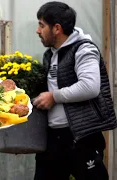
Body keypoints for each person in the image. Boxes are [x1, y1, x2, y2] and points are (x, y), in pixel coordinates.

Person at [33, 1, 117, 180]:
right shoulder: (50, 54)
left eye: (41, 25)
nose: (37, 30)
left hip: (80, 138)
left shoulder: (83, 49)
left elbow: (90, 86)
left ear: (57, 28)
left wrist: (54, 97)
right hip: (53, 138)